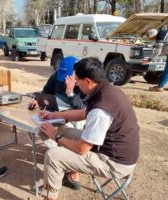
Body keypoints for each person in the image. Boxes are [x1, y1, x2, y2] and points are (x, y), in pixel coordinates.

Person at [39, 57, 140, 200]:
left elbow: (82, 149)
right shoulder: (106, 90)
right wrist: (53, 115)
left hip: (114, 162)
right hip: (109, 148)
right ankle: (64, 172)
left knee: (53, 155)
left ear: (87, 81)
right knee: (62, 129)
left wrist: (56, 136)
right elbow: (82, 113)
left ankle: (50, 196)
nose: (76, 85)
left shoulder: (100, 110)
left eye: (77, 81)